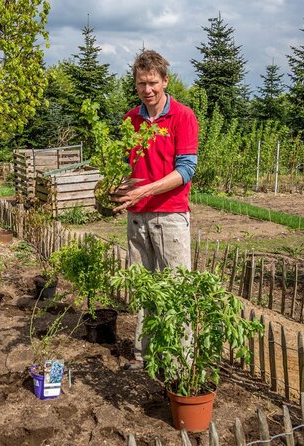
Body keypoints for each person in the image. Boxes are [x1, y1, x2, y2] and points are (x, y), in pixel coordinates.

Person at [112, 50, 199, 370]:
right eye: (140, 84)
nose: (146, 90)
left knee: (176, 291)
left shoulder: (183, 117)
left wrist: (146, 189)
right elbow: (127, 166)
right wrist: (119, 186)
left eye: (152, 83)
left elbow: (186, 169)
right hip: (138, 217)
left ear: (165, 81)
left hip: (171, 216)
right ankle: (145, 356)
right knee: (145, 289)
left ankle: (180, 363)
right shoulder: (130, 121)